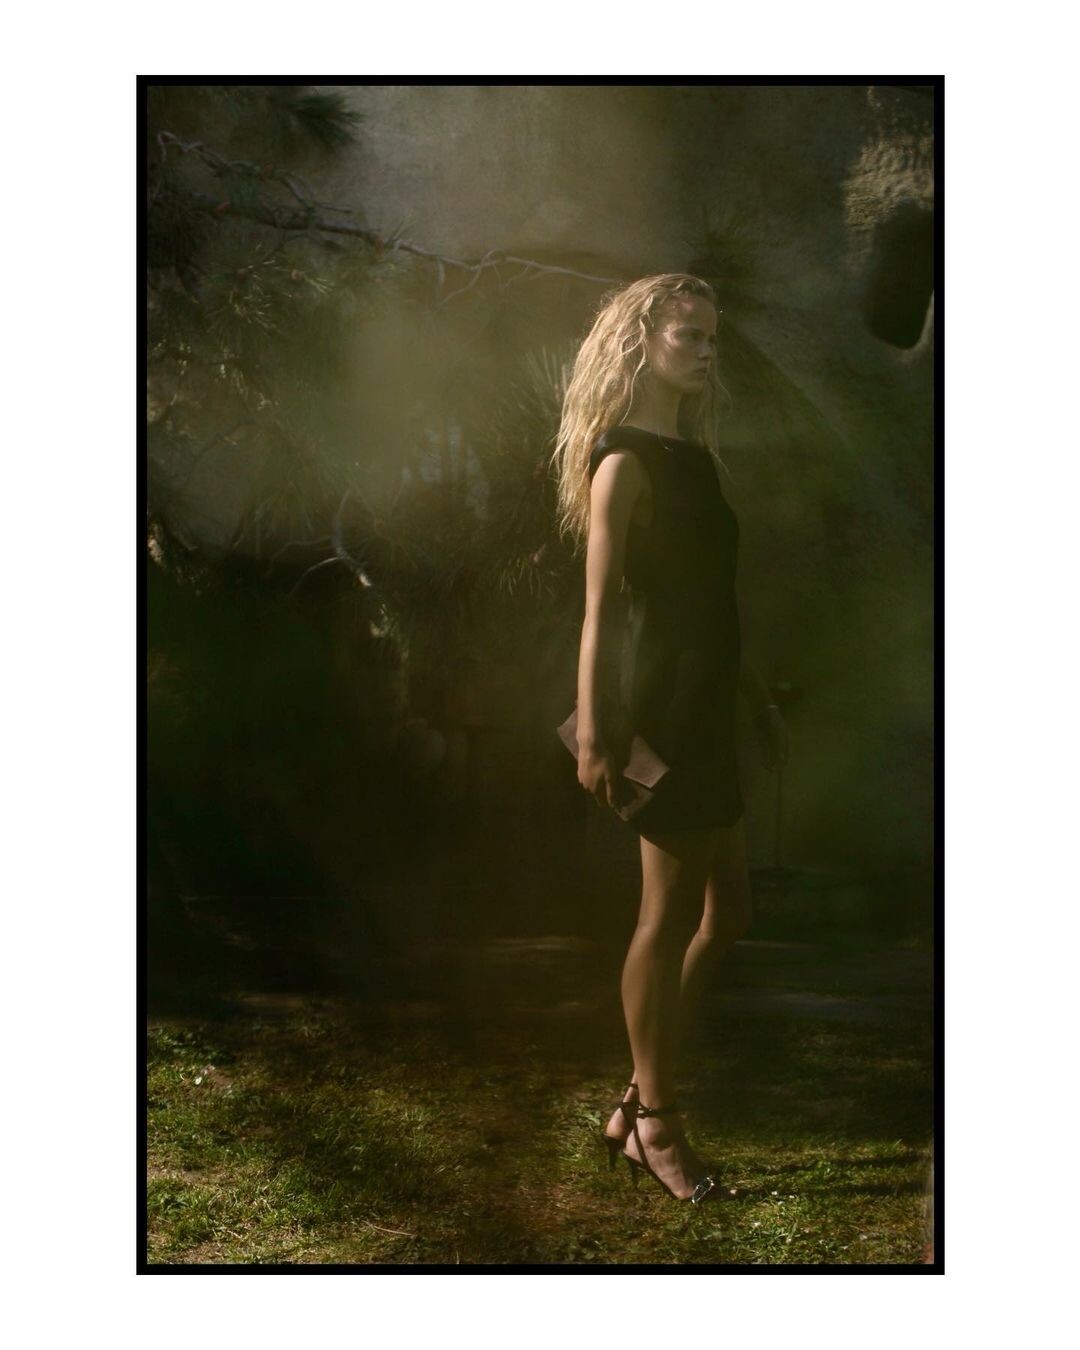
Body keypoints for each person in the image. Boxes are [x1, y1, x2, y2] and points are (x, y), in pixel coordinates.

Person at [552, 273, 789, 1203]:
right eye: (690, 334)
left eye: (712, 337)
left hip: (711, 702)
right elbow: (600, 614)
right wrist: (593, 733)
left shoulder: (695, 458)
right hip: (664, 711)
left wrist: (753, 691)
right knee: (665, 916)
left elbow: (712, 600)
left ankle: (635, 1097)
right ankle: (657, 1124)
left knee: (728, 917)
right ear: (640, 342)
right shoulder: (624, 463)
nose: (706, 350)